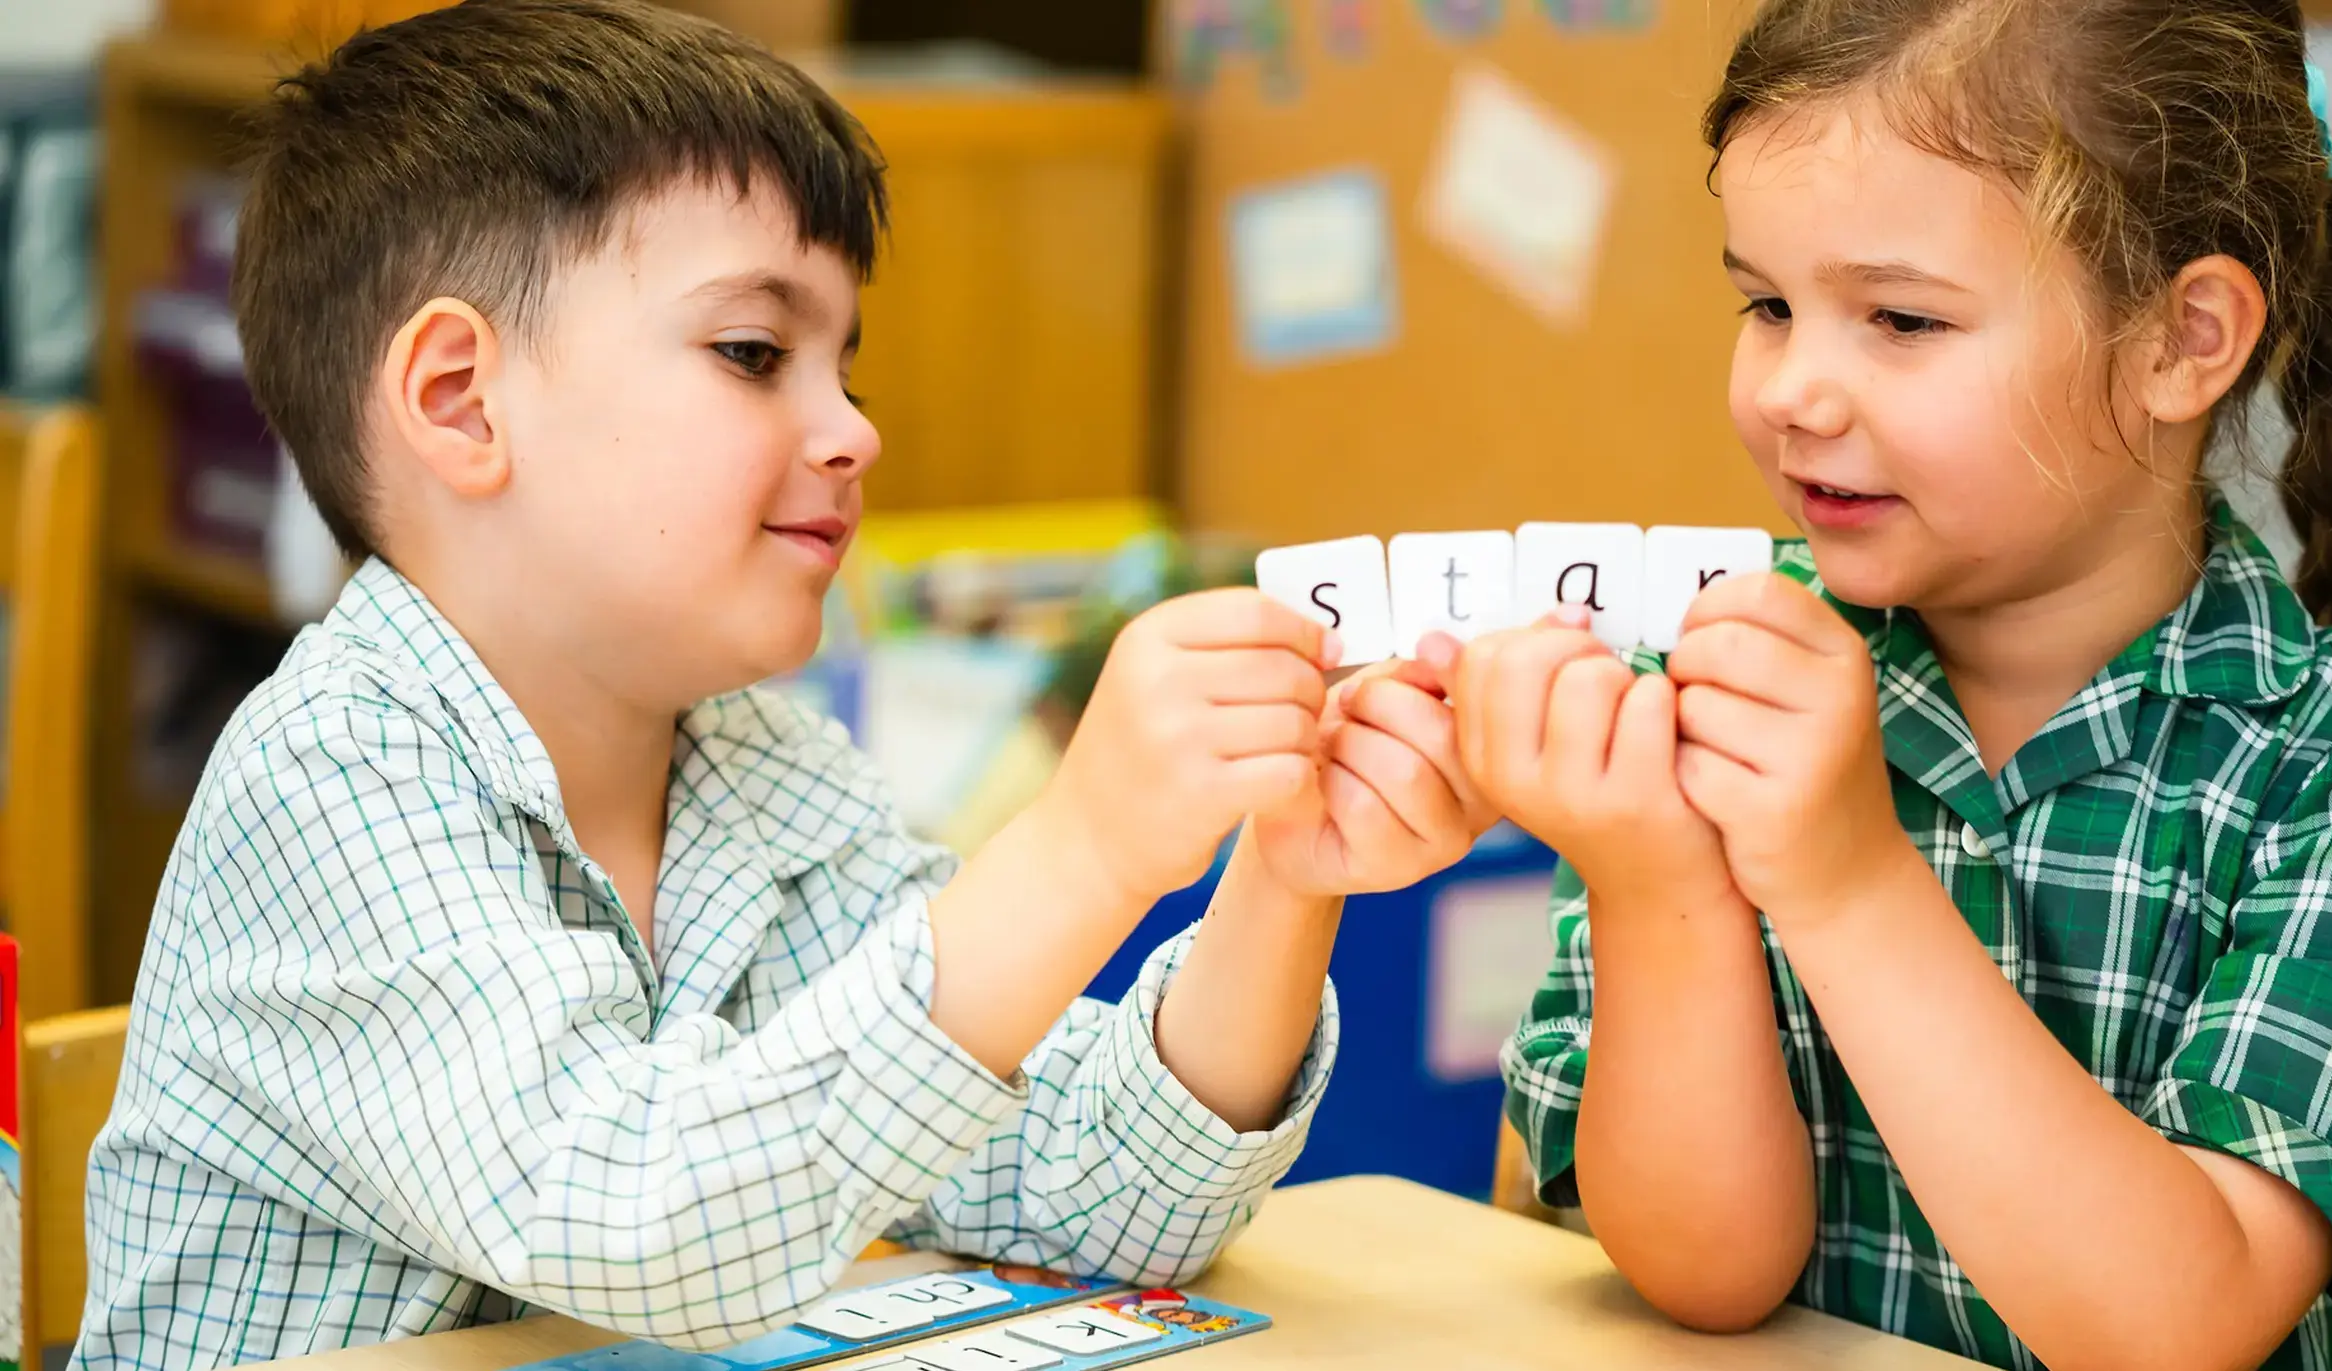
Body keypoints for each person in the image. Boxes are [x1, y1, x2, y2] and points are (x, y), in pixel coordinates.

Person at [75, 3, 1491, 1366]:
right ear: (461, 400)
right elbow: (640, 1218)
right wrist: (1085, 844)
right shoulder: (331, 778)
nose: (853, 430)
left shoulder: (764, 771)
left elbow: (1098, 1197)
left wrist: (1285, 879)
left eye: (842, 366)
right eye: (755, 352)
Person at [1467, 1, 2332, 1365]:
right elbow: (1702, 1276)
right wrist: (1658, 882)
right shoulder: (1711, 688)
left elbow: (2176, 1325)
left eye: (1900, 317)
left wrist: (1846, 879)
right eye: (1769, 304)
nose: (1793, 388)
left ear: (2183, 342)